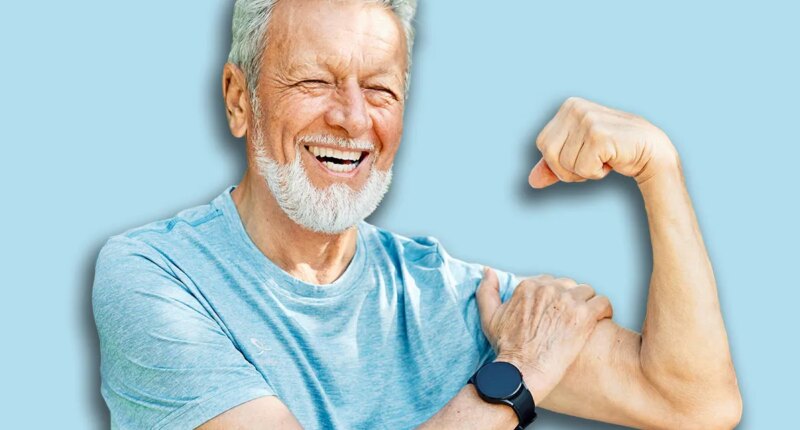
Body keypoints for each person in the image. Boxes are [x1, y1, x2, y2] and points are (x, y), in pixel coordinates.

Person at [92, 0, 742, 428]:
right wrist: (515, 378)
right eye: (315, 80)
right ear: (239, 100)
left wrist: (660, 171)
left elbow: (696, 399)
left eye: (380, 90)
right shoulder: (155, 276)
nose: (352, 118)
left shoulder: (437, 295)